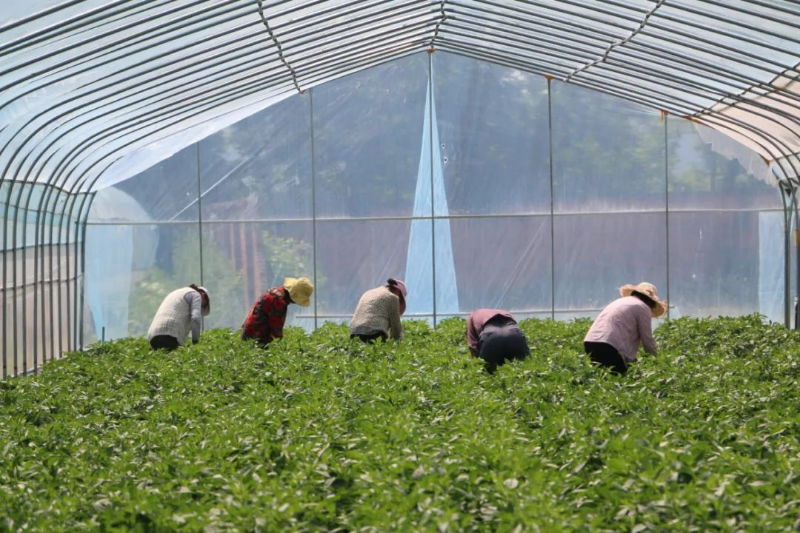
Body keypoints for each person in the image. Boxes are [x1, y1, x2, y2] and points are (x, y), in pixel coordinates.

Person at [584, 282, 667, 375]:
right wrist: (656, 360)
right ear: (650, 301)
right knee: (618, 378)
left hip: (590, 341)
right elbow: (647, 338)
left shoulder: (620, 301)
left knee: (601, 377)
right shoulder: (643, 307)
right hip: (610, 344)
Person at [241, 277, 314, 347]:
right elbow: (276, 333)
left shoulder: (274, 291)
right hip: (257, 339)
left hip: (247, 333)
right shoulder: (279, 303)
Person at [147, 284, 210, 351]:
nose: (201, 307)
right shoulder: (196, 295)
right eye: (203, 305)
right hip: (170, 332)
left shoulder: (178, 292)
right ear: (203, 295)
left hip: (152, 335)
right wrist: (195, 341)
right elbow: (195, 317)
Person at [466, 309, 530, 373]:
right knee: (522, 370)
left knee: (488, 374)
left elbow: (473, 345)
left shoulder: (473, 315)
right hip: (514, 334)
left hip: (491, 335)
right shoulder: (505, 312)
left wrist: (477, 363)